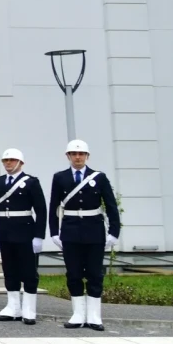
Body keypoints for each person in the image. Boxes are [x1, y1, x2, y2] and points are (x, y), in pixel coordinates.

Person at [50, 139, 120, 331]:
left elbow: (111, 206)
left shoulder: (99, 177)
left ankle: (94, 315)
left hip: (94, 231)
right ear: (68, 156)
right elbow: (53, 206)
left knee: (94, 273)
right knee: (73, 273)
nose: (78, 157)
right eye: (74, 154)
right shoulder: (60, 177)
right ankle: (78, 314)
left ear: (87, 156)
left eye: (81, 154)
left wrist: (114, 232)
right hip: (70, 231)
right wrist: (54, 232)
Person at [0, 148, 47, 325]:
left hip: (25, 233)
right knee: (9, 270)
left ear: (21, 162)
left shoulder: (31, 182)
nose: (8, 163)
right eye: (5, 160)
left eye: (12, 160)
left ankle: (29, 309)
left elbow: (41, 210)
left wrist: (39, 236)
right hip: (5, 232)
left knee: (29, 271)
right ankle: (13, 307)